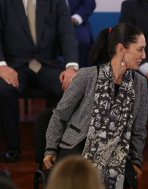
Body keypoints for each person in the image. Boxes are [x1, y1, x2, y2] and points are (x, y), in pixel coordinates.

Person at [43, 23, 148, 189]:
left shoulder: (140, 84)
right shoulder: (87, 76)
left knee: (119, 175)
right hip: (78, 147)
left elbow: (139, 129)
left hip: (116, 152)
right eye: (139, 49)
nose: (144, 55)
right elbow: (60, 114)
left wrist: (136, 161)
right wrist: (50, 148)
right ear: (121, 49)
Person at [0, 0, 79, 162]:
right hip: (14, 63)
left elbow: (67, 32)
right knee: (3, 89)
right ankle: (12, 145)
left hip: (47, 63)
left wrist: (71, 66)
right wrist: (1, 65)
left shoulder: (56, 2)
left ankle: (54, 145)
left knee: (69, 86)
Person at [68, 0, 96, 68]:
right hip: (50, 22)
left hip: (75, 21)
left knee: (83, 41)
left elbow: (89, 3)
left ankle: (82, 75)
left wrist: (74, 19)